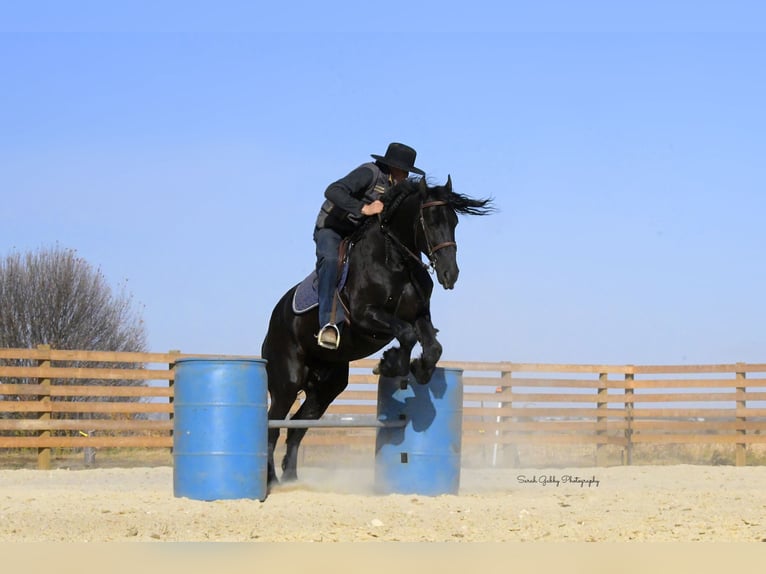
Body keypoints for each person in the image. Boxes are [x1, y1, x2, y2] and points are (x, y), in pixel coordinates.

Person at [313, 142, 425, 349]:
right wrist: (364, 208)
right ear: (394, 167)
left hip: (359, 233)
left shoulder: (397, 186)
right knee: (330, 260)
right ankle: (327, 324)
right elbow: (333, 190)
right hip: (333, 229)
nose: (406, 177)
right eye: (405, 171)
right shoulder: (369, 173)